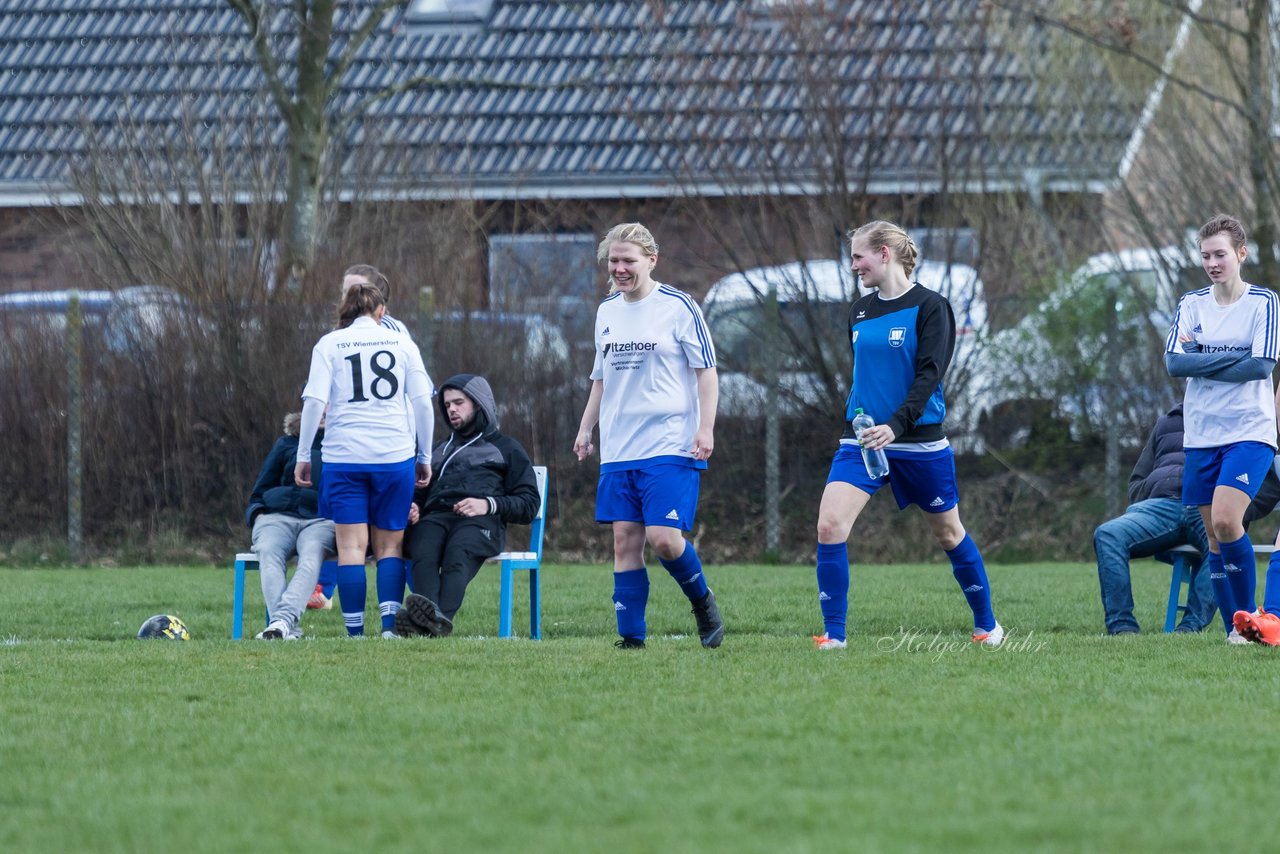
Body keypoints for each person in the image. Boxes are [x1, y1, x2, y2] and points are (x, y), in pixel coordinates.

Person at [812, 220, 1002, 650]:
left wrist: (895, 425)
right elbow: (865, 375)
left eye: (859, 256)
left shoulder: (932, 307)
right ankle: (834, 635)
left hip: (918, 442)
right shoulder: (859, 310)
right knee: (829, 525)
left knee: (949, 533)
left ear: (884, 254)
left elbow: (929, 375)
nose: (854, 265)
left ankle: (988, 626)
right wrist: (866, 424)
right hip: (860, 440)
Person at [573, 222, 724, 649]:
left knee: (664, 540)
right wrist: (587, 429)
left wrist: (705, 427)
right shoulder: (606, 310)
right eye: (613, 261)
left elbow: (706, 373)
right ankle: (632, 640)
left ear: (651, 260)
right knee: (625, 540)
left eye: (628, 260)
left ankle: (702, 601)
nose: (619, 268)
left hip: (670, 442)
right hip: (620, 446)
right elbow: (600, 379)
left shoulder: (678, 306)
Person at [296, 281, 435, 638]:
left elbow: (313, 402)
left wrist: (303, 453)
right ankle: (389, 628)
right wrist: (425, 454)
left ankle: (355, 632)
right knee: (391, 546)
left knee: (351, 547)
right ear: (381, 312)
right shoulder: (402, 343)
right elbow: (422, 402)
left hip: (345, 457)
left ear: (344, 310)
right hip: (393, 456)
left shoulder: (329, 344)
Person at [1165, 213, 1279, 644]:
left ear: (1241, 254)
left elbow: (1262, 365)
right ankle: (1238, 628)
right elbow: (1175, 363)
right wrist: (1234, 361)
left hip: (1249, 431)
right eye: (1205, 255)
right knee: (1214, 538)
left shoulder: (1263, 303)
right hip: (1202, 435)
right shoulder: (1190, 304)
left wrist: (1204, 361)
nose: (1212, 263)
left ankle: (1251, 616)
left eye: (1220, 255)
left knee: (1230, 521)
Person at [395, 374, 540, 636]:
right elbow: (419, 492)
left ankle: (428, 621)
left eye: (459, 402)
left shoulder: (506, 448)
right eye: (447, 404)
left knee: (458, 551)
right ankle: (433, 623)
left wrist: (488, 504)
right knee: (423, 546)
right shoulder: (437, 450)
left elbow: (529, 503)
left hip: (480, 523)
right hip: (436, 518)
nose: (451, 409)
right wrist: (413, 507)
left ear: (479, 403)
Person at [245, 410, 337, 639]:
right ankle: (285, 628)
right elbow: (260, 489)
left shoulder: (345, 445)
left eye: (330, 402)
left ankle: (280, 623)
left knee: (311, 555)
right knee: (268, 550)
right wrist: (257, 514)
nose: (323, 411)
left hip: (320, 520)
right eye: (318, 404)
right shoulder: (286, 443)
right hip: (276, 518)